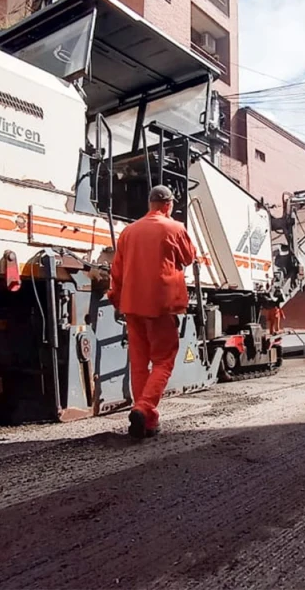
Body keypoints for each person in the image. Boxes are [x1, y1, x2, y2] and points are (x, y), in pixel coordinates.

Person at [108, 185, 197, 439]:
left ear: (150, 203)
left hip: (132, 305)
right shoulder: (175, 228)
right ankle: (144, 407)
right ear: (168, 205)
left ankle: (148, 421)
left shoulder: (128, 232)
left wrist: (116, 298)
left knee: (139, 362)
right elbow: (189, 257)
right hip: (161, 305)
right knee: (163, 360)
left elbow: (117, 271)